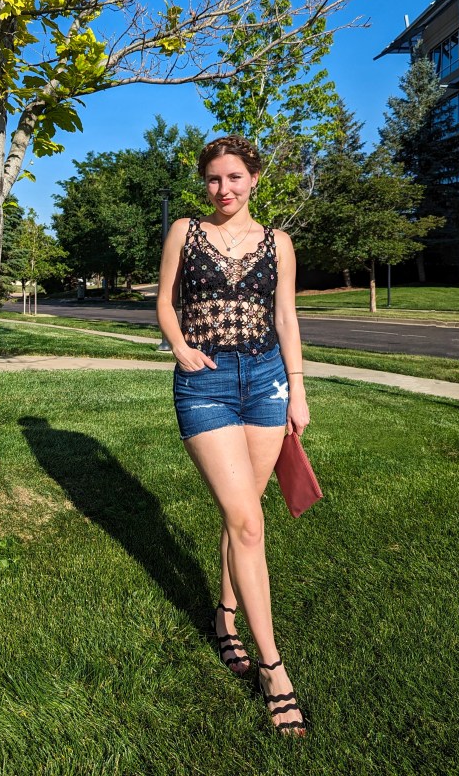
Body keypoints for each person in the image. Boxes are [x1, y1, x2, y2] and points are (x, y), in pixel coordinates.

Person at [156, 134, 310, 736]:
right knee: (247, 521)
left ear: (254, 179)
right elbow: (166, 303)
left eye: (235, 178)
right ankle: (274, 671)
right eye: (215, 179)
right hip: (206, 385)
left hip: (267, 382)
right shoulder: (185, 233)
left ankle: (225, 617)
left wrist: (297, 389)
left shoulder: (279, 243)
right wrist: (180, 348)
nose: (224, 189)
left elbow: (286, 318)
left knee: (240, 516)